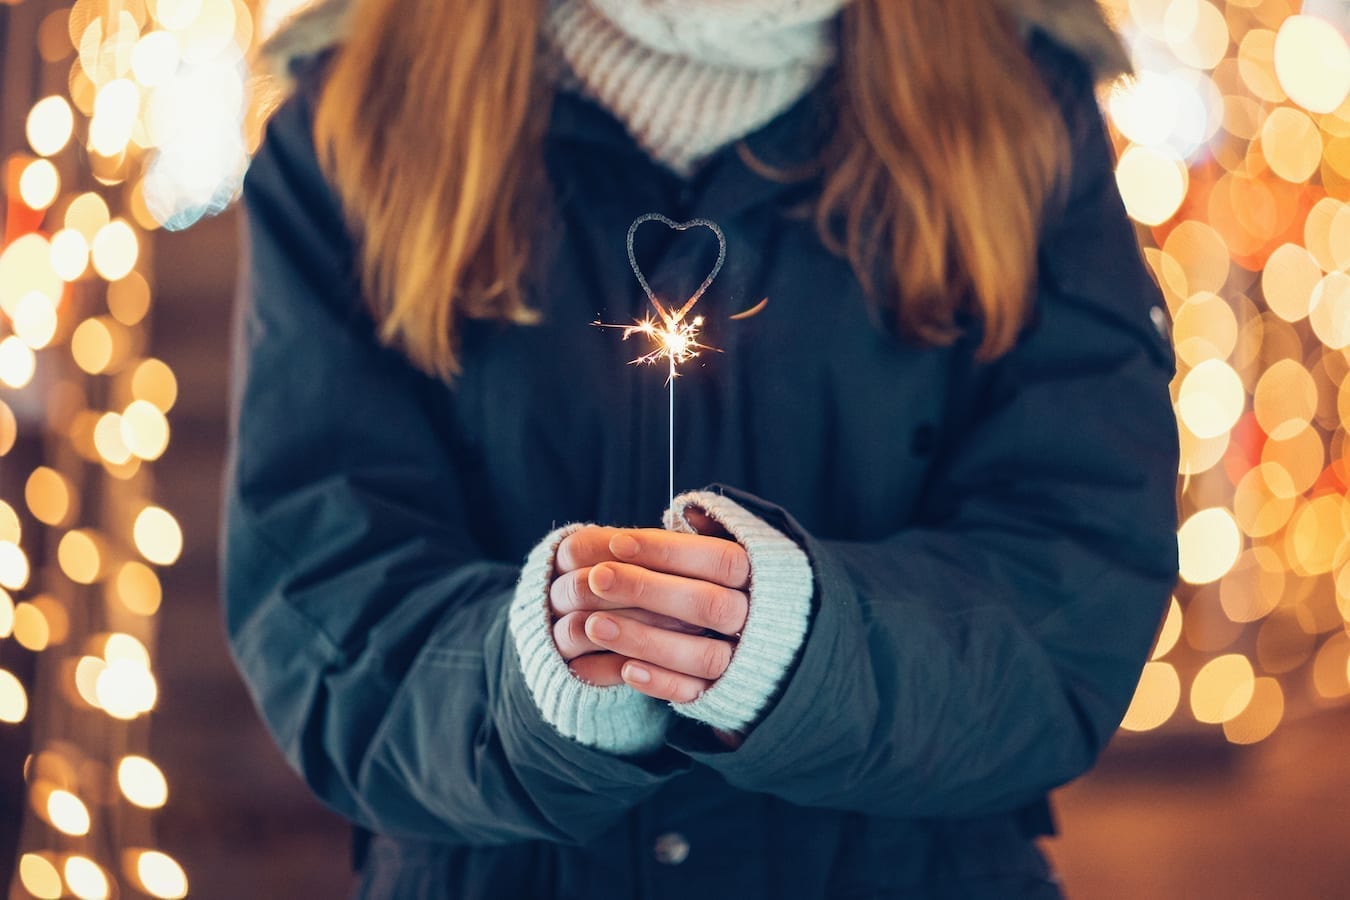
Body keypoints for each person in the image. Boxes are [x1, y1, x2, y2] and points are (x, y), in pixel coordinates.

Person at [221, 0, 1181, 896]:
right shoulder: (351, 120)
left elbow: (1078, 577)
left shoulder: (1019, 101)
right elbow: (323, 594)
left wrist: (809, 648)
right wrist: (536, 688)